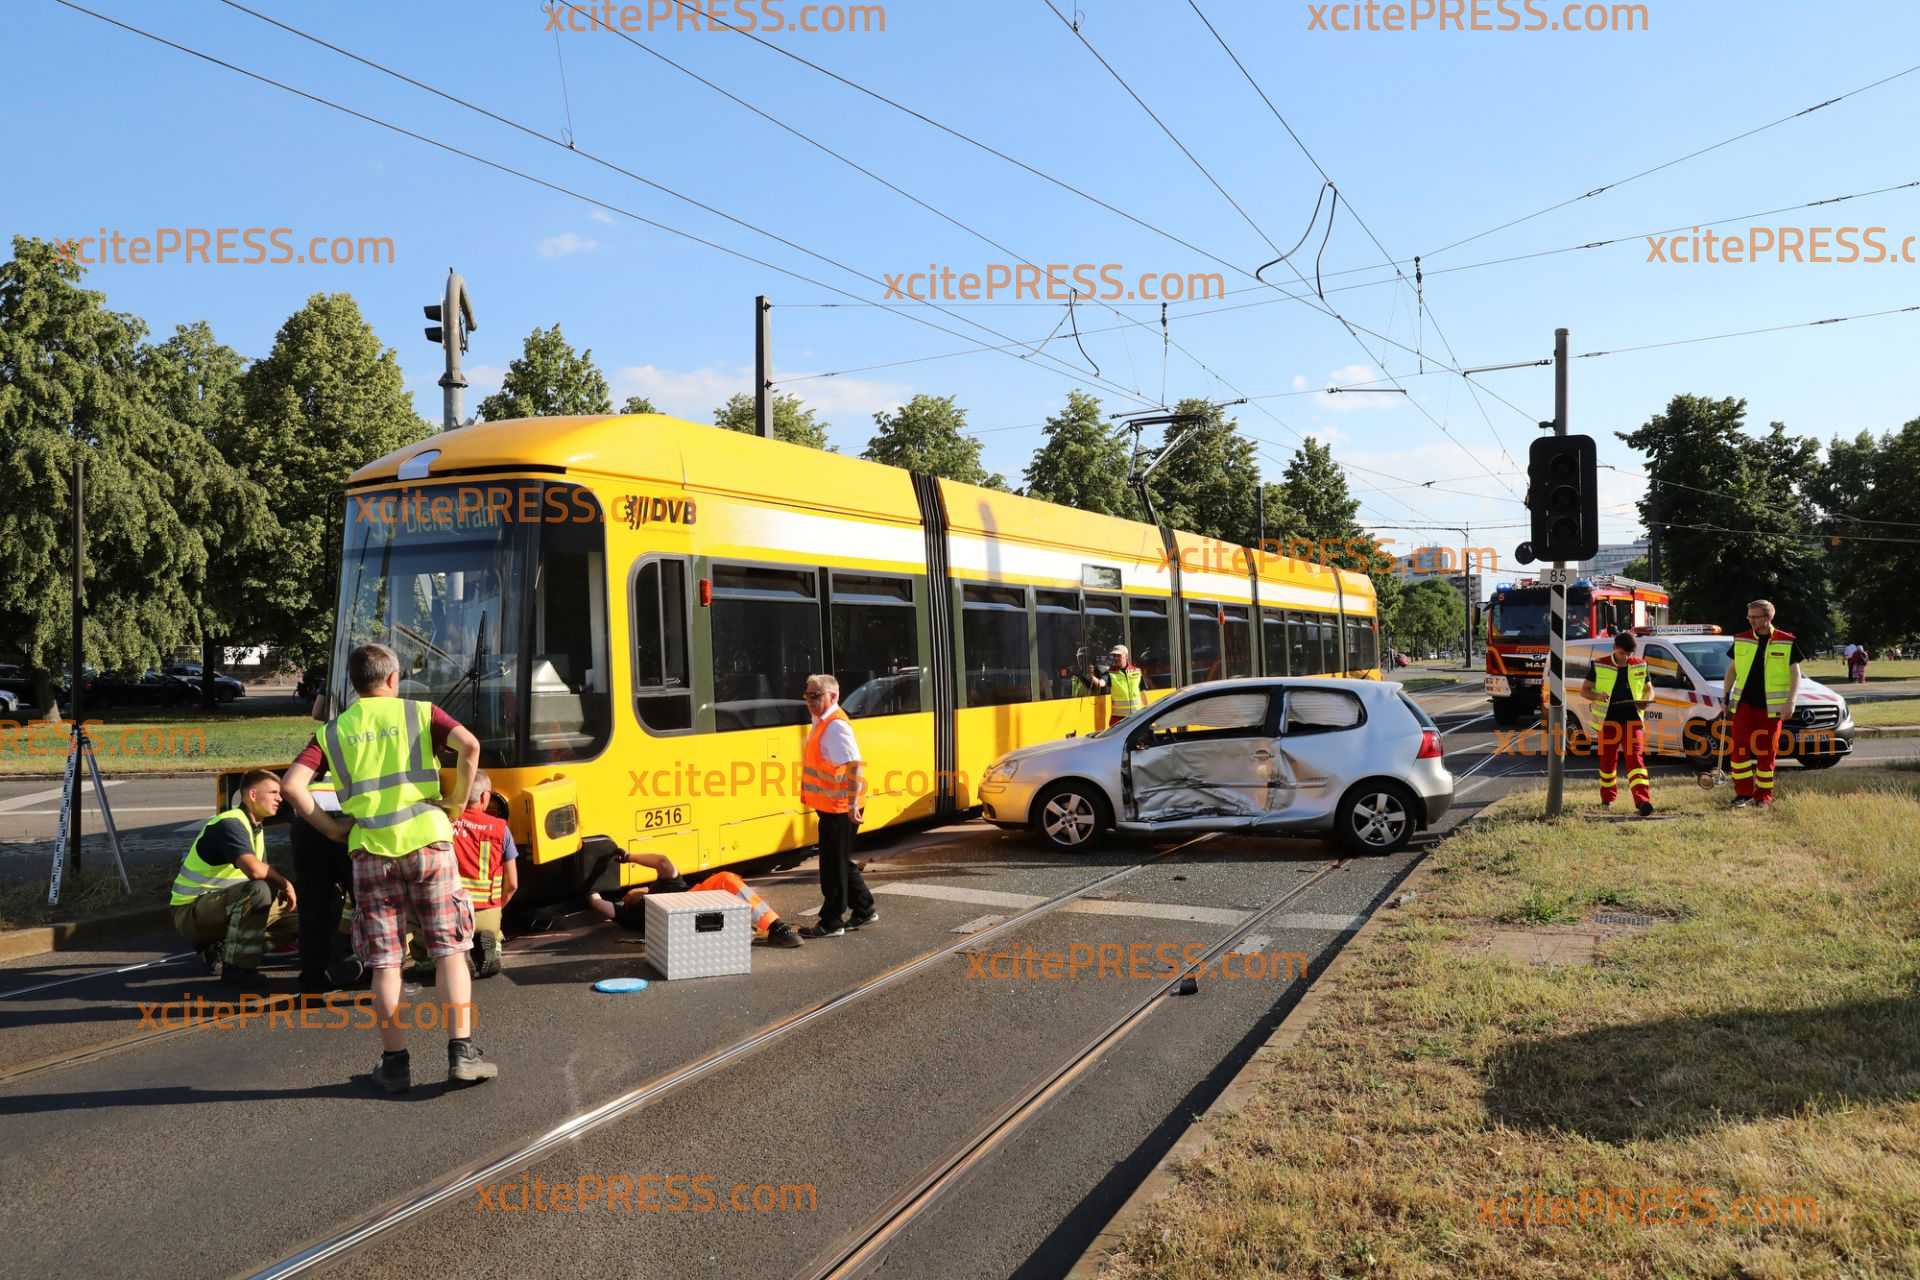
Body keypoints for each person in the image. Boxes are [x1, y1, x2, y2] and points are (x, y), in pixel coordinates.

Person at [282, 642, 498, 1093]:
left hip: (370, 853)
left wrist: (330, 829)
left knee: (385, 963)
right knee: (449, 950)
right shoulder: (420, 712)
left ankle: (395, 1063)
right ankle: (462, 1053)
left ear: (355, 685)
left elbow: (292, 786)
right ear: (394, 679)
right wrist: (456, 803)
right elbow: (470, 746)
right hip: (428, 840)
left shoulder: (334, 732)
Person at [169, 769, 298, 989]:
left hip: (221, 906)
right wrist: (285, 884)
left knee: (299, 920)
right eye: (274, 792)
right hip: (191, 912)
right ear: (253, 795)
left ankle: (224, 949)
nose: (280, 798)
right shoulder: (230, 824)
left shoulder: (254, 827)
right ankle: (237, 970)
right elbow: (256, 872)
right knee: (258, 891)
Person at [404, 771, 519, 978]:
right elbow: (512, 885)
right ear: (485, 797)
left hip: (446, 912)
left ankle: (428, 958)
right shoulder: (501, 829)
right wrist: (496, 908)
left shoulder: (443, 823)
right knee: (493, 932)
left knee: (419, 926)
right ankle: (491, 944)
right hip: (486, 912)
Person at [586, 850, 802, 947]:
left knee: (730, 884)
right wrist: (590, 888)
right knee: (726, 879)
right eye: (628, 893)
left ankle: (747, 928)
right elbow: (597, 903)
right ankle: (775, 926)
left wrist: (627, 857)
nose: (633, 889)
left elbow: (662, 861)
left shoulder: (663, 887)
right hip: (688, 907)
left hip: (692, 912)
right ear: (627, 900)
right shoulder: (631, 914)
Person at [798, 673, 875, 939]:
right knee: (839, 861)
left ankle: (832, 921)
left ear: (833, 696)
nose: (810, 700)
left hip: (842, 807)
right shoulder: (821, 720)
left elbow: (855, 765)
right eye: (807, 695)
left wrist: (854, 803)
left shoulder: (836, 726)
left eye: (815, 695)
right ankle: (864, 908)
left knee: (832, 867)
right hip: (831, 806)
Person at [1722, 600, 1806, 810]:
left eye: (1755, 617)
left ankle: (1763, 797)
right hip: (1743, 705)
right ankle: (1743, 794)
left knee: (1767, 752)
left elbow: (1795, 674)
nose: (1750, 620)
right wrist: (1725, 696)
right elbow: (1732, 670)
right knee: (1739, 751)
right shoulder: (1741, 639)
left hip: (1771, 708)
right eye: (1749, 616)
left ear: (1767, 618)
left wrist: (1791, 701)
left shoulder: (1786, 641)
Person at [1581, 632, 1654, 816]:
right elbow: (1585, 691)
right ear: (1614, 648)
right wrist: (1597, 696)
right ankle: (1607, 799)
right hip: (1608, 722)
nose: (1626, 658)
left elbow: (1649, 690)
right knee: (1607, 762)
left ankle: (1642, 801)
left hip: (1633, 720)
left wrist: (1648, 699)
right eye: (1622, 653)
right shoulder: (1599, 664)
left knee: (1635, 760)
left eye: (1629, 654)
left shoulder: (1640, 664)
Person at [1081, 644, 1144, 729]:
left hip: (1137, 715)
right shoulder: (1110, 673)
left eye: (1118, 655)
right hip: (1119, 718)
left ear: (1125, 656)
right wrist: (1092, 676)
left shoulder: (1137, 671)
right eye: (1114, 656)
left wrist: (1147, 712)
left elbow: (1143, 692)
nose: (1116, 658)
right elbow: (1101, 683)